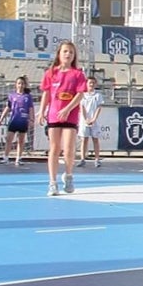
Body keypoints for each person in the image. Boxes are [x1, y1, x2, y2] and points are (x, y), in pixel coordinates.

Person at [37, 40, 87, 197]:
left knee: (69, 148)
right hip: (54, 115)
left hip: (69, 115)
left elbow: (80, 94)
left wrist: (67, 108)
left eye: (71, 52)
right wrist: (41, 110)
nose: (68, 54)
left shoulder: (77, 74)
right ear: (59, 54)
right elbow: (46, 93)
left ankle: (69, 175)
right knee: (54, 148)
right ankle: (52, 182)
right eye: (65, 51)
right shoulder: (51, 73)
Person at [0, 76, 35, 165]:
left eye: (22, 83)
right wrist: (1, 119)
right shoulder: (12, 95)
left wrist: (32, 119)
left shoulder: (27, 97)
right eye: (19, 83)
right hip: (13, 120)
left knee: (21, 140)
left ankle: (19, 158)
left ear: (25, 85)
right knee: (9, 139)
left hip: (23, 121)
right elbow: (8, 107)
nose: (20, 85)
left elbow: (31, 108)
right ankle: (5, 157)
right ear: (16, 85)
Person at [77, 75, 104, 168]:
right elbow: (82, 107)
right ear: (86, 84)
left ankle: (97, 159)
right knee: (84, 139)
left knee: (95, 139)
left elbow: (99, 108)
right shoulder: (82, 95)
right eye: (90, 83)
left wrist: (93, 119)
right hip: (84, 120)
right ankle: (82, 159)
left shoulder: (98, 95)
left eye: (93, 83)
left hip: (94, 121)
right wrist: (85, 119)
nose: (91, 84)